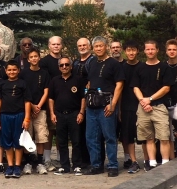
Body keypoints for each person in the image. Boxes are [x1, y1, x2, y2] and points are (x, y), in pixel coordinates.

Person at [83, 36, 124, 177]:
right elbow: (89, 82)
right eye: (96, 46)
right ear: (93, 48)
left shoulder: (114, 63)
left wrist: (112, 104)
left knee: (110, 137)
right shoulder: (92, 62)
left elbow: (119, 85)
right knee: (91, 137)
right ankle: (96, 165)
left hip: (107, 105)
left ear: (106, 46)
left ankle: (112, 165)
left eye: (101, 46)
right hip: (92, 106)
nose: (99, 49)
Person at [132, 40, 174, 171]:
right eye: (147, 49)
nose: (150, 51)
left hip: (159, 106)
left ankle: (166, 163)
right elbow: (135, 87)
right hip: (143, 108)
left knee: (164, 137)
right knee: (148, 138)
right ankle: (152, 163)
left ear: (157, 50)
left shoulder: (164, 67)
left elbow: (166, 88)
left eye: (152, 49)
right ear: (144, 51)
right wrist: (143, 102)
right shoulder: (139, 68)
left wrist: (150, 99)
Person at [48, 56, 86, 176]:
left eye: (66, 64)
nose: (64, 67)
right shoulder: (54, 80)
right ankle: (64, 166)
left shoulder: (78, 79)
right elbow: (51, 99)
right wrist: (52, 113)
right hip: (59, 114)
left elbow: (83, 98)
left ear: (71, 66)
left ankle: (77, 165)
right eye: (61, 65)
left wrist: (81, 112)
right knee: (62, 142)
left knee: (76, 141)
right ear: (59, 67)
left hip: (74, 114)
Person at [0, 59, 32, 179]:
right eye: (9, 70)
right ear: (5, 71)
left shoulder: (23, 83)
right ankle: (10, 166)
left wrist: (26, 118)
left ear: (18, 70)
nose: (12, 72)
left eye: (14, 69)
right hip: (5, 116)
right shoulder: (2, 84)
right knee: (7, 142)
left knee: (18, 142)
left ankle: (17, 166)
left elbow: (27, 102)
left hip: (19, 115)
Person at [19, 49, 50, 175]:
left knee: (41, 136)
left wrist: (38, 106)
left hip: (40, 110)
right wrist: (32, 106)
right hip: (27, 109)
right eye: (31, 57)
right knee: (28, 135)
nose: (34, 58)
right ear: (28, 59)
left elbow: (46, 92)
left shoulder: (44, 73)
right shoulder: (23, 74)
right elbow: (22, 92)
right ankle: (27, 162)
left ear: (39, 58)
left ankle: (40, 162)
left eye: (36, 56)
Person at [39, 36, 63, 171]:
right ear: (49, 46)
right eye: (53, 44)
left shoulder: (65, 61)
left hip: (64, 101)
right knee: (49, 132)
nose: (56, 46)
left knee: (61, 131)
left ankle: (61, 158)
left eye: (58, 44)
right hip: (49, 101)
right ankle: (47, 159)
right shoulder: (44, 62)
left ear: (61, 46)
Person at [73, 37, 95, 168]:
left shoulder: (93, 61)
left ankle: (92, 160)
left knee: (91, 133)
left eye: (84, 45)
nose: (82, 47)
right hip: (77, 100)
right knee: (79, 133)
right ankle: (81, 160)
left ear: (89, 46)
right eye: (80, 46)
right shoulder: (75, 62)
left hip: (91, 100)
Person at [119, 40, 141, 173]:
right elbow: (119, 89)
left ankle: (149, 160)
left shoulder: (143, 66)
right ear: (125, 51)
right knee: (127, 135)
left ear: (138, 51)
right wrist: (120, 108)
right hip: (127, 105)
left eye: (133, 50)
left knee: (144, 135)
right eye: (128, 50)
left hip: (142, 105)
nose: (131, 53)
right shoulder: (121, 68)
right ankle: (133, 161)